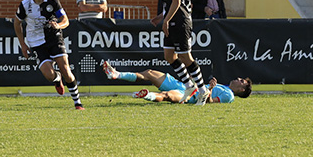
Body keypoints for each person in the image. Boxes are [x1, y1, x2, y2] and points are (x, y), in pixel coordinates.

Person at [14, 0, 83, 110]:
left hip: (54, 38)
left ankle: (77, 102)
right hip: (36, 42)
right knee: (49, 75)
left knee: (66, 70)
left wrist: (59, 25)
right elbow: (17, 23)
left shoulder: (52, 0)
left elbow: (65, 20)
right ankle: (57, 79)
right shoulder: (25, 4)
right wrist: (23, 44)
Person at [150, 0, 207, 101]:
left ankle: (203, 90)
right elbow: (173, 3)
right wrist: (161, 17)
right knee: (169, 55)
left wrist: (166, 21)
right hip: (174, 21)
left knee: (185, 57)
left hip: (180, 22)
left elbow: (177, 2)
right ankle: (189, 86)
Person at [103, 61, 251, 104]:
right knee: (149, 73)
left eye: (242, 81)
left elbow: (210, 102)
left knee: (167, 95)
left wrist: (210, 89)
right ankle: (116, 74)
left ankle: (147, 95)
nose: (238, 79)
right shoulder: (224, 86)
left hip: (191, 96)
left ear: (242, 90)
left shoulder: (229, 95)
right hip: (184, 85)